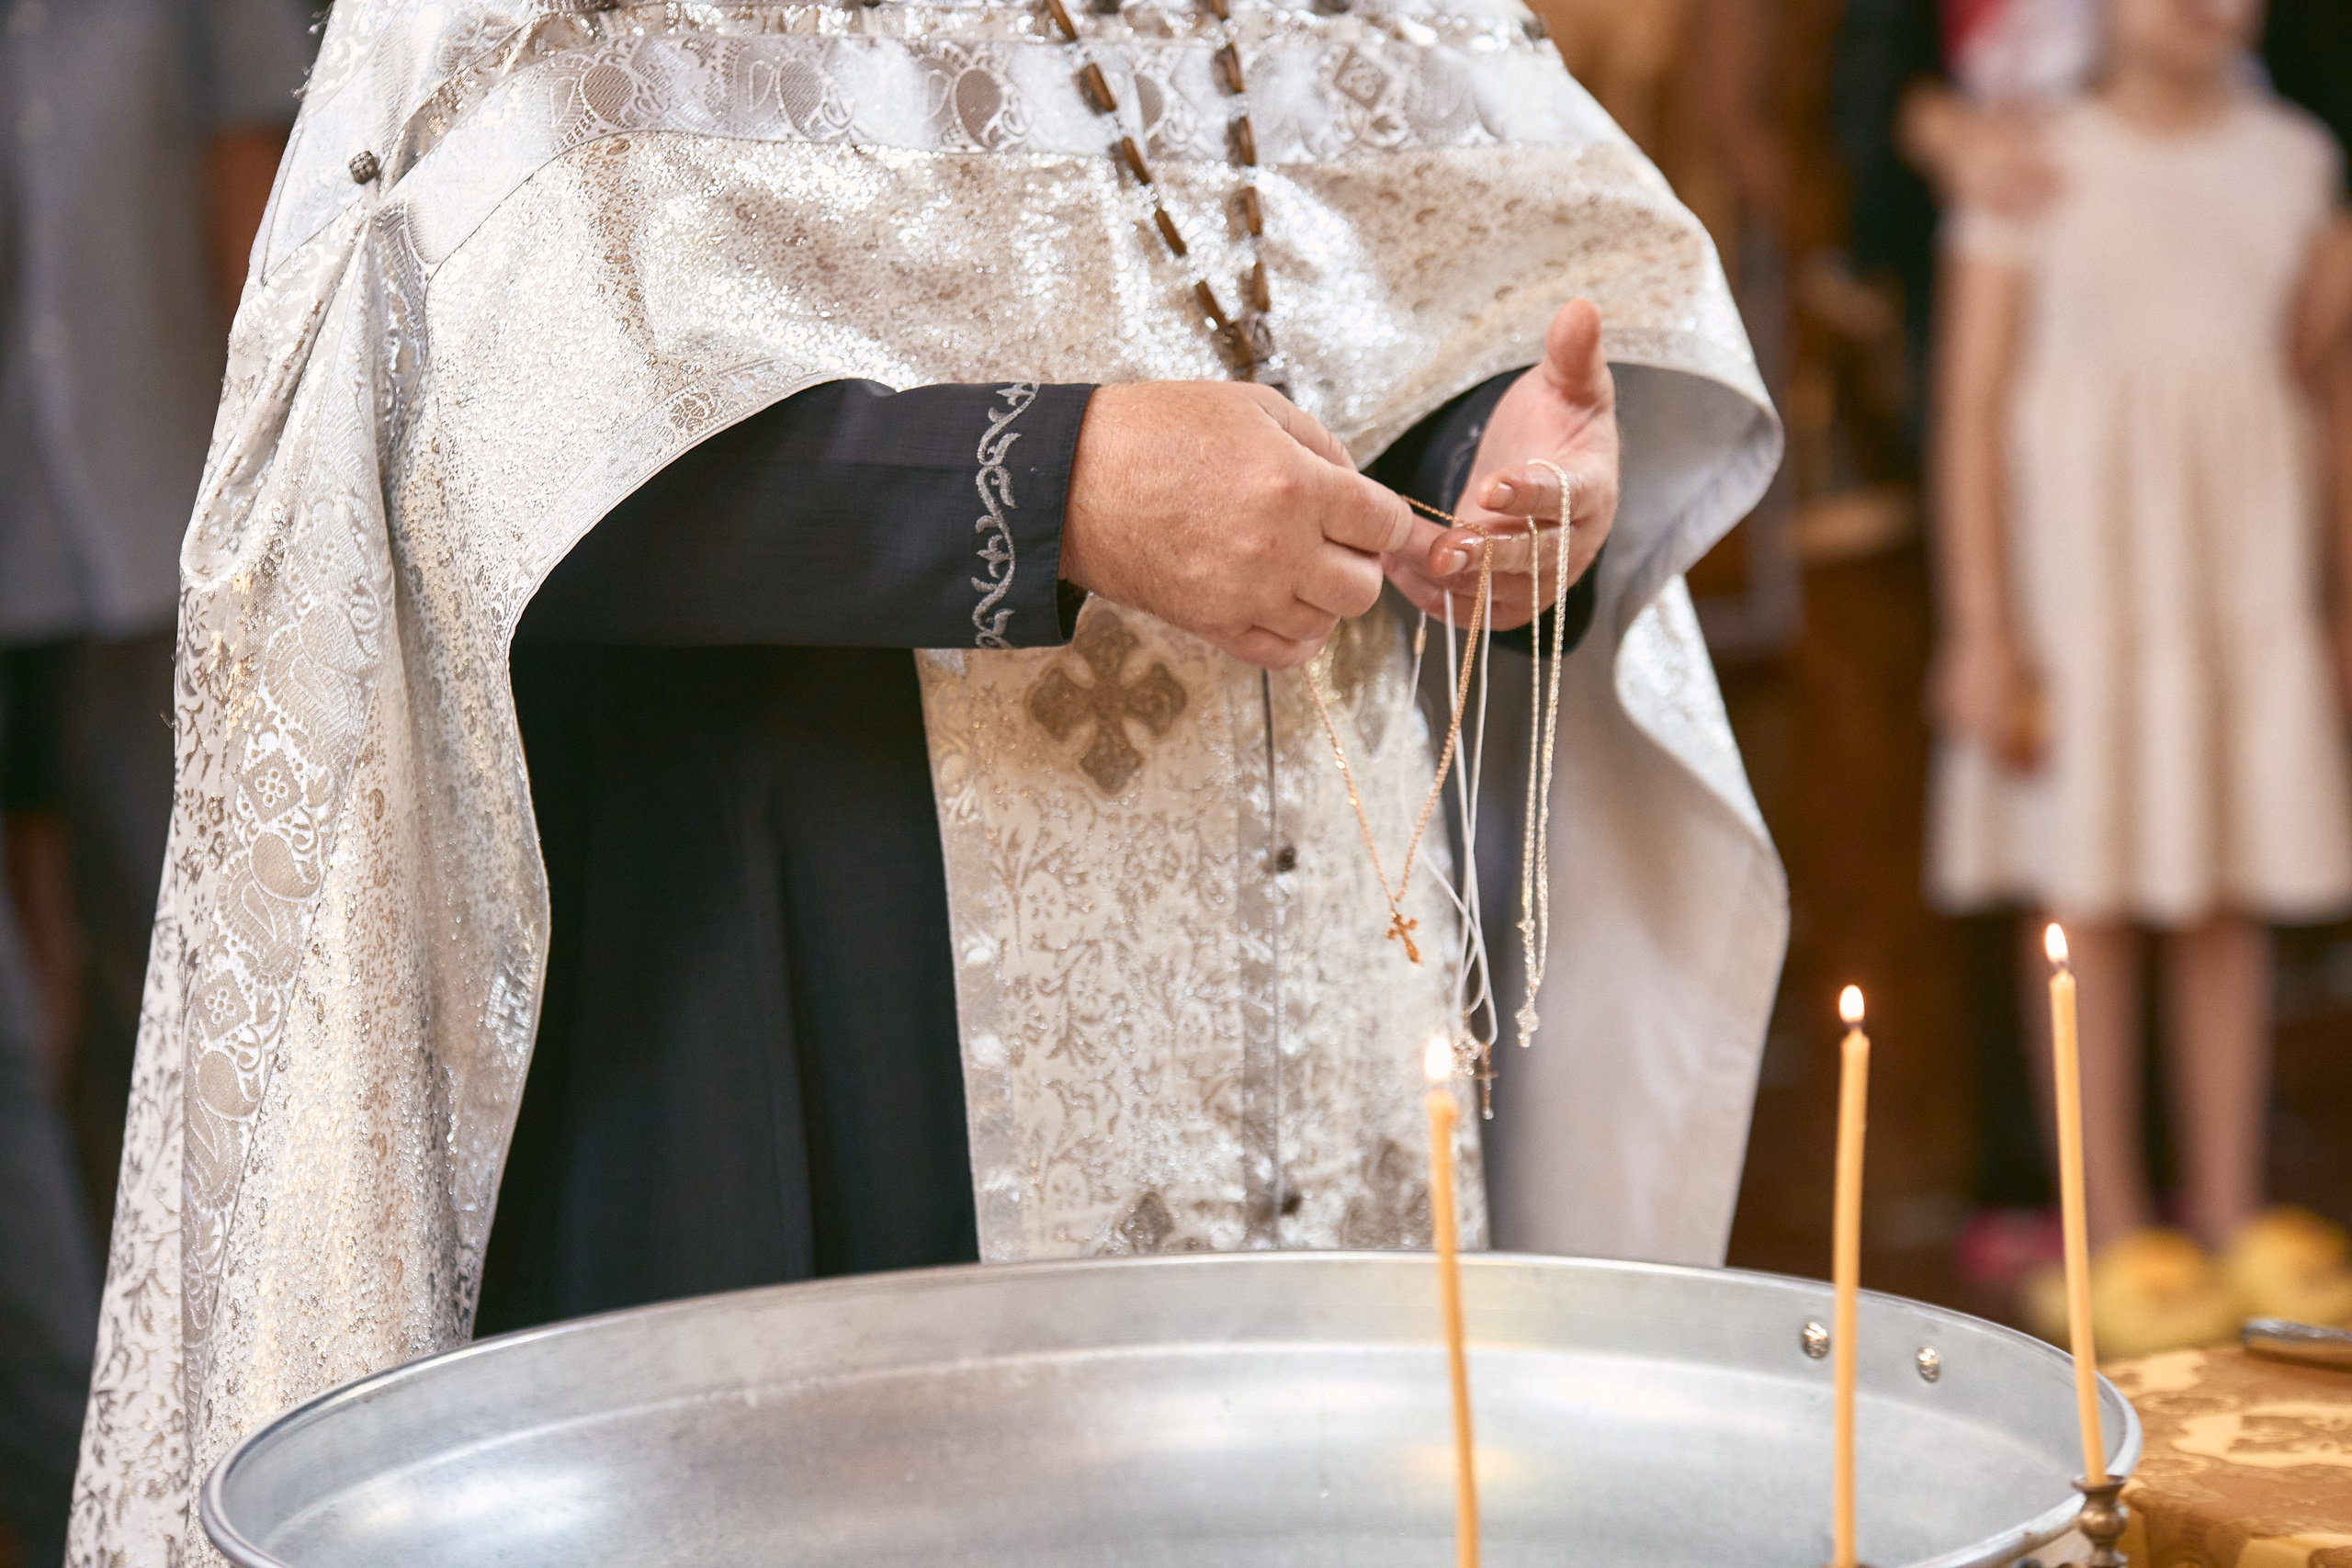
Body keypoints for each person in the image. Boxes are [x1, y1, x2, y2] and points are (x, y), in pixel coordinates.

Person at [69, 2, 1788, 1558]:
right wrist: (1059, 486)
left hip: (1318, 993)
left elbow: (1364, 295)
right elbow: (453, 432)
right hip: (811, 1000)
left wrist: (1481, 471)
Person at [1928, 0, 2352, 1255]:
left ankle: (2225, 1208)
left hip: (2239, 591)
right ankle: (2108, 1232)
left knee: (2233, 890)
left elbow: (2331, 411)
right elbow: (1972, 405)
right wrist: (1982, 625)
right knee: (2086, 892)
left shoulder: (2300, 165)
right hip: (2081, 603)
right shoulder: (2025, 160)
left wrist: (2336, 608)